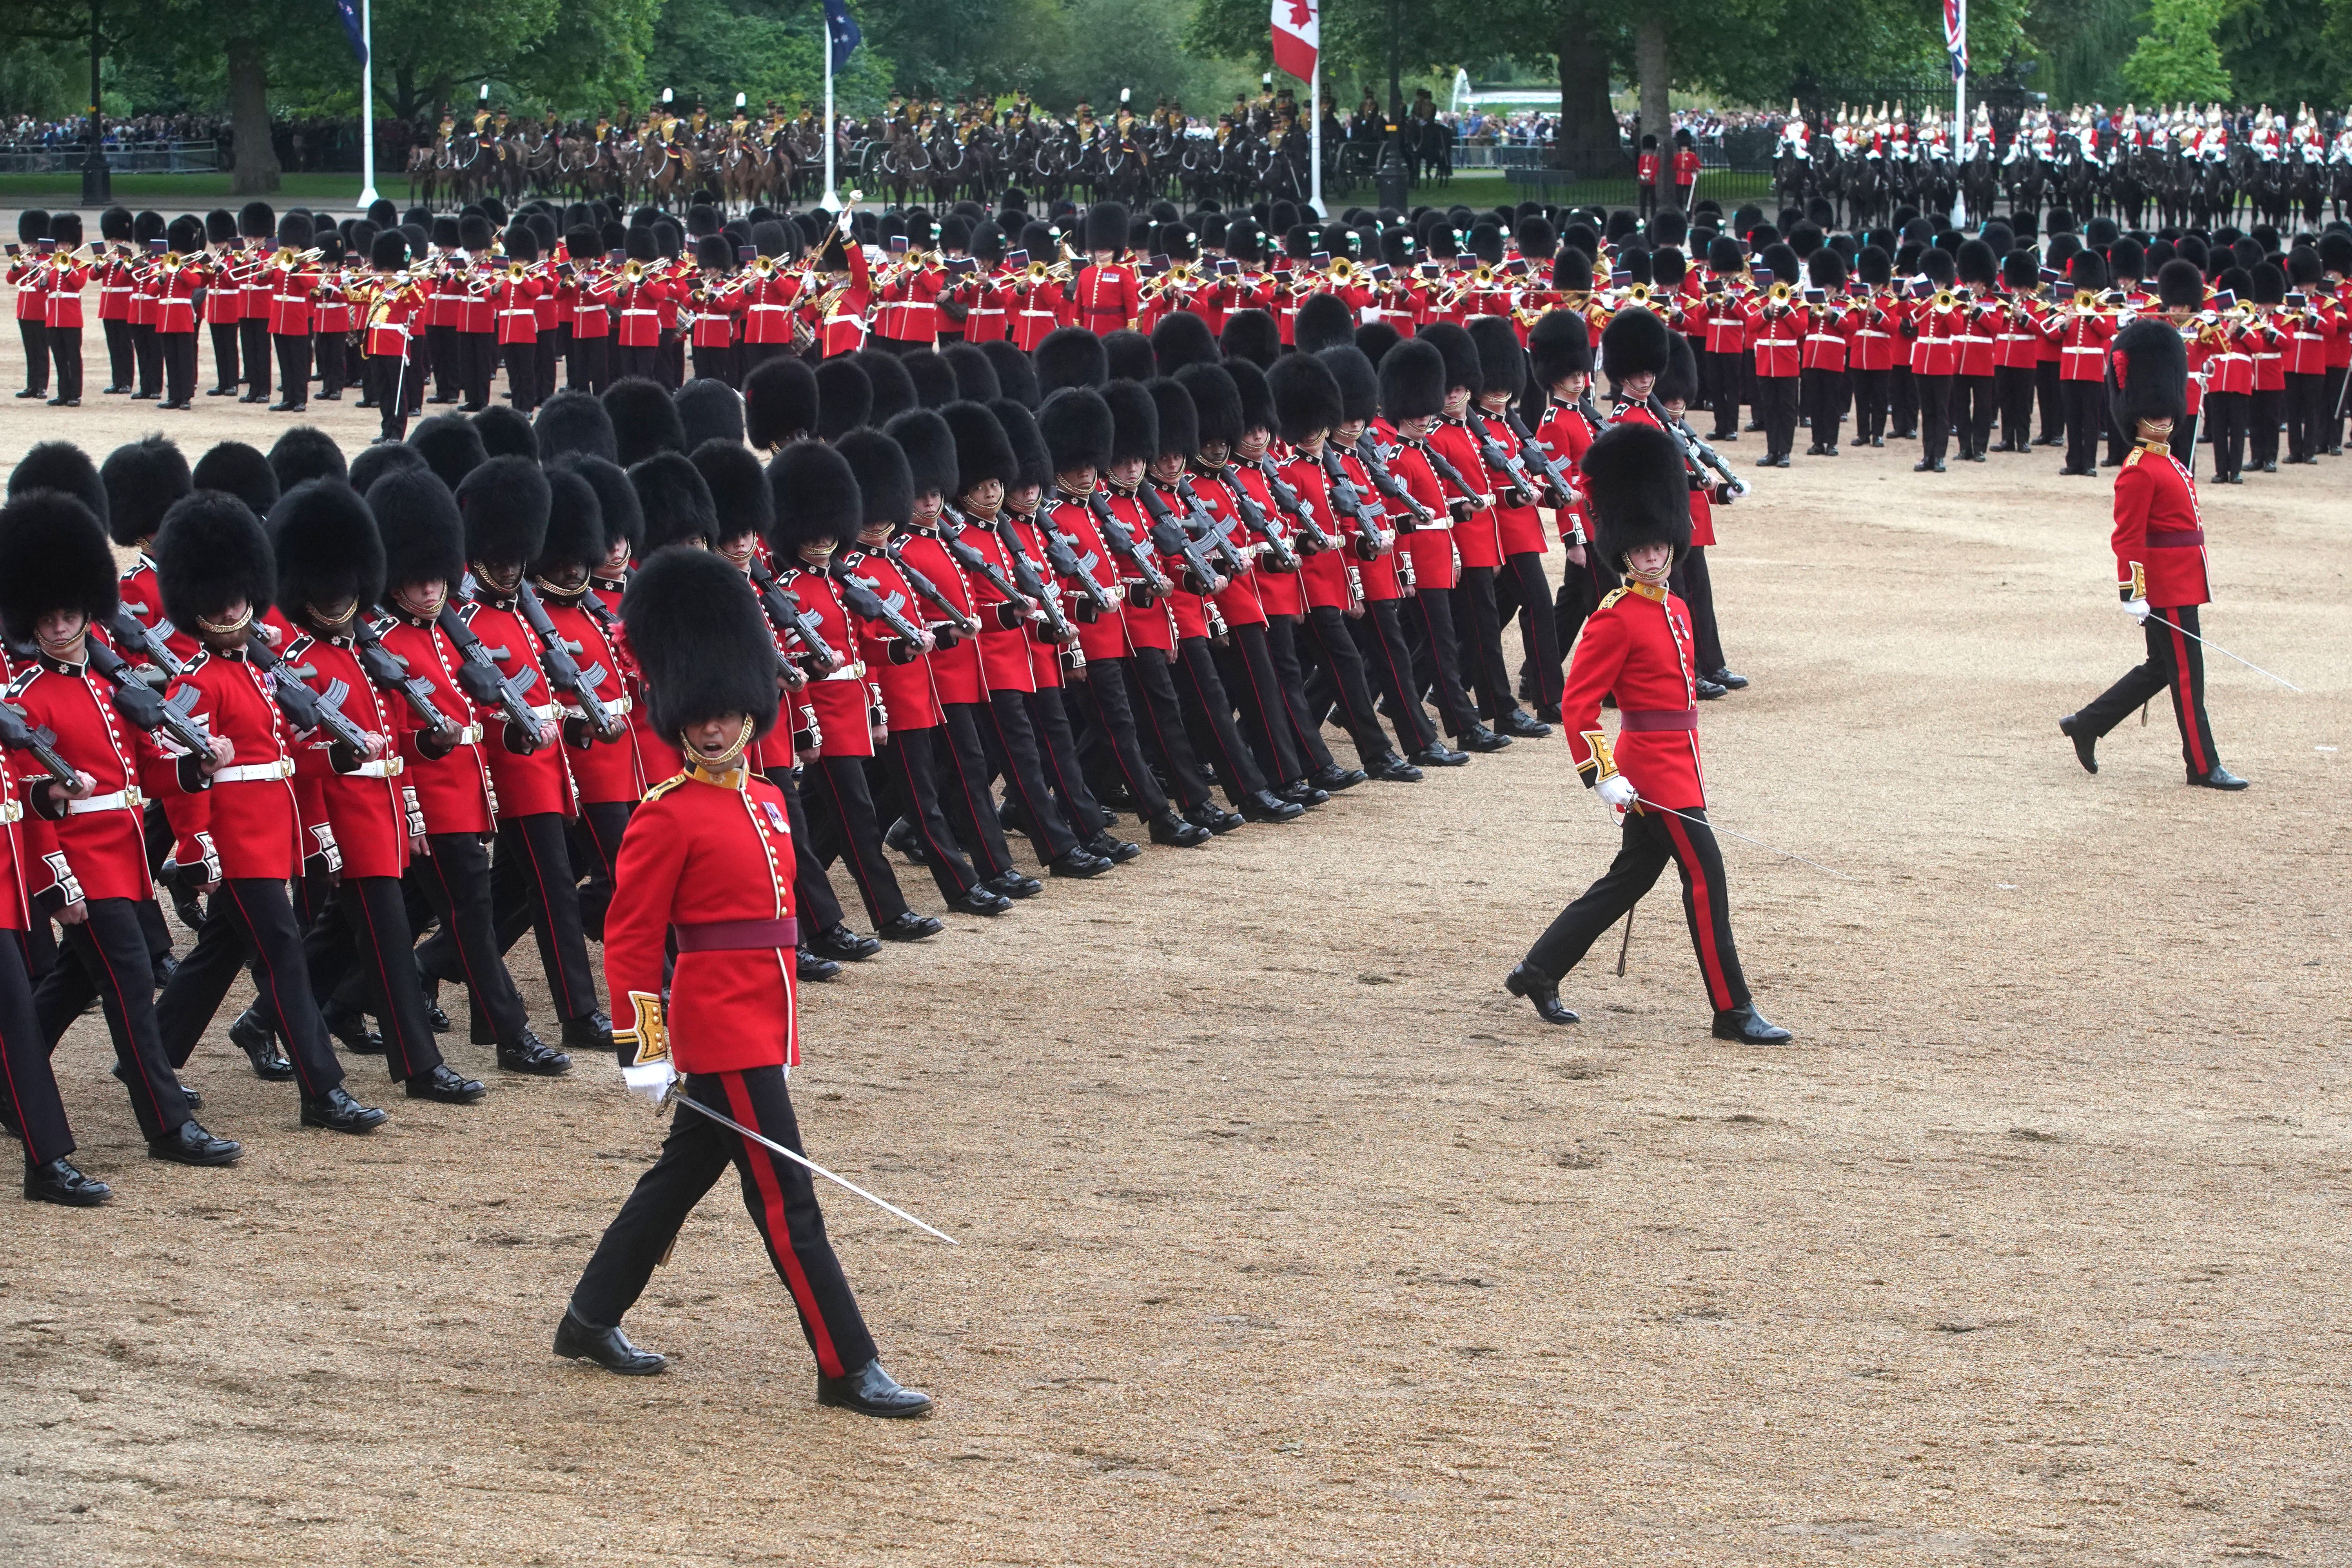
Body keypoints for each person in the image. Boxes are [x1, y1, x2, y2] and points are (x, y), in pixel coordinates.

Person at [555, 544, 934, 1419]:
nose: (716, 729)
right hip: (717, 1026)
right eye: (702, 718)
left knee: (682, 1174)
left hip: (764, 1014)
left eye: (729, 714)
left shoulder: (763, 798)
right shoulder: (664, 814)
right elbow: (631, 938)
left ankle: (588, 1315)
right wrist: (643, 1048)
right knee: (787, 1194)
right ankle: (847, 1361)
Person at [1504, 421, 1790, 1045]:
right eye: (1641, 550)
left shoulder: (1679, 609)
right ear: (1623, 551)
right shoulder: (1615, 617)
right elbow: (1579, 705)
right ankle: (1733, 1009)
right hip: (1651, 775)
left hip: (1679, 766)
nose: (1654, 556)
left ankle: (1539, 970)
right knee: (1705, 880)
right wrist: (1603, 776)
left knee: (1629, 879)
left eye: (1660, 546)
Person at [2059, 319, 2247, 791]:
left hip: (2182, 580)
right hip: (2165, 587)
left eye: (2167, 413)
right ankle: (2202, 765)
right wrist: (2134, 592)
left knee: (2162, 670)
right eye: (2153, 415)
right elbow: (2128, 538)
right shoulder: (2139, 469)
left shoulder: (2169, 460)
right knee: (2188, 678)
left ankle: (2086, 724)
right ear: (2135, 416)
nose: (2163, 419)